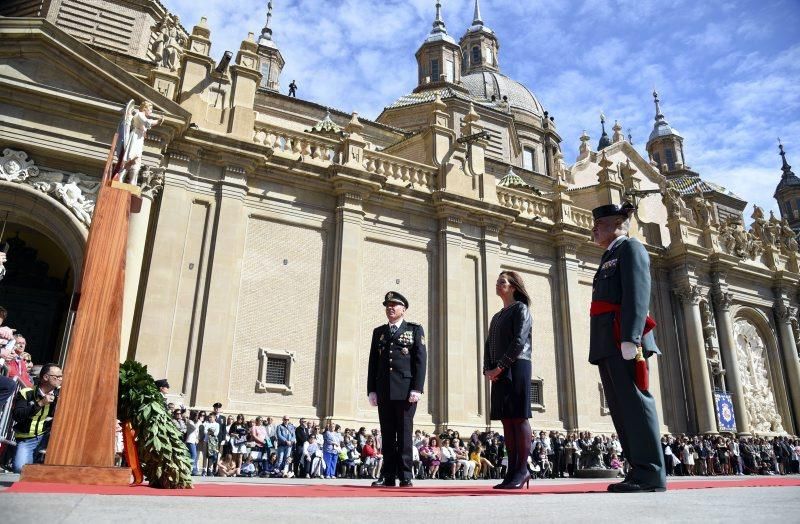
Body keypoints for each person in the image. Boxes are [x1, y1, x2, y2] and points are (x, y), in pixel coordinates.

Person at [589, 202, 666, 493]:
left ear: (617, 224)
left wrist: (631, 338)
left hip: (624, 338)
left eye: (599, 224)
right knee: (621, 409)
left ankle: (651, 474)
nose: (594, 229)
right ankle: (638, 470)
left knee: (636, 403)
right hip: (608, 341)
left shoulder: (631, 249)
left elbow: (637, 293)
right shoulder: (609, 255)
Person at [367, 291, 427, 487]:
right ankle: (388, 475)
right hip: (384, 389)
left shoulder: (415, 330)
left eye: (394, 305)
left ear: (404, 309)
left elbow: (420, 361)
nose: (390, 308)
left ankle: (406, 474)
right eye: (387, 305)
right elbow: (373, 363)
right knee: (387, 432)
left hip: (406, 390)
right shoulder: (379, 332)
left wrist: (417, 388)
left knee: (404, 433)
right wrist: (372, 389)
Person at [483, 271, 533, 490]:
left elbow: (519, 341)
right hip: (499, 370)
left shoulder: (521, 309)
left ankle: (522, 470)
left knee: (519, 418)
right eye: (497, 281)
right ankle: (511, 471)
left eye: (502, 282)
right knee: (506, 420)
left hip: (517, 365)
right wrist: (488, 369)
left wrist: (500, 366)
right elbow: (489, 344)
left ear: (513, 287)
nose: (497, 284)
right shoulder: (497, 316)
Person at [12, 363, 61, 472]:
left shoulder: (62, 395)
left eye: (61, 377)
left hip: (49, 439)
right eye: (56, 377)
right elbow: (17, 416)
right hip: (27, 439)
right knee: (20, 468)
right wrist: (40, 403)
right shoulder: (26, 393)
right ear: (45, 377)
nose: (60, 379)